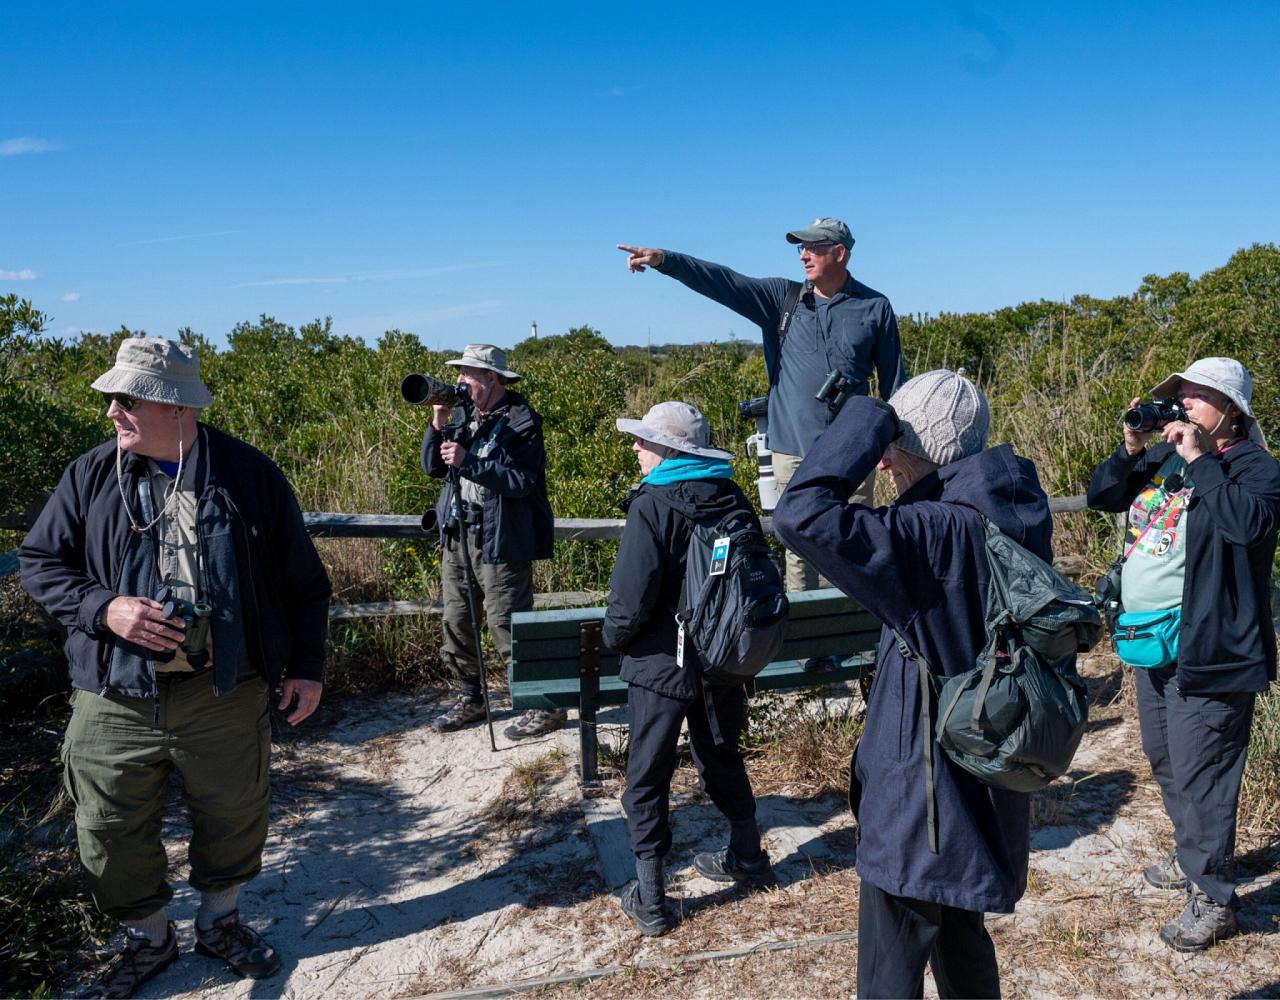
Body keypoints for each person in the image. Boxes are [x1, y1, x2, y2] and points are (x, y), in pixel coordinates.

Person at [20, 337, 332, 998]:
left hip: (223, 691)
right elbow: (41, 563)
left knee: (235, 813)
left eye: (125, 399)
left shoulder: (248, 475)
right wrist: (104, 610)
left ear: (174, 406)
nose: (111, 412)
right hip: (113, 692)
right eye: (111, 399)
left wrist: (307, 667)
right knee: (106, 825)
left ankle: (220, 924)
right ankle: (149, 938)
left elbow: (305, 582)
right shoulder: (90, 475)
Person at [774, 370, 1051, 998]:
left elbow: (799, 515)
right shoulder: (1010, 509)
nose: (884, 463)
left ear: (912, 446)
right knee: (961, 939)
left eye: (892, 447)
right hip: (978, 775)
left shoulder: (936, 532)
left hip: (920, 802)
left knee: (889, 968)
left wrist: (866, 420)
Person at [1086, 356, 1280, 952]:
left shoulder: (1255, 468)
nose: (1184, 406)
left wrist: (1200, 459)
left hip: (1212, 646)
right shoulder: (1164, 456)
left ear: (1231, 410)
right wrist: (1130, 446)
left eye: (1197, 397)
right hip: (1152, 639)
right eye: (1181, 396)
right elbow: (1103, 496)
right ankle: (1192, 855)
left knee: (1207, 771)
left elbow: (1247, 528)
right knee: (1166, 756)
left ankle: (1213, 897)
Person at [617, 217, 906, 601]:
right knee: (799, 551)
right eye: (800, 247)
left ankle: (845, 642)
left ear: (839, 253)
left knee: (850, 546)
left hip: (854, 453)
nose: (803, 254)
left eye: (814, 246)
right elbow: (723, 282)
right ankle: (807, 649)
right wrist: (664, 260)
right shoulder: (781, 300)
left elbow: (895, 387)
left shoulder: (875, 308)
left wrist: (894, 451)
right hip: (791, 451)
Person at [605, 401, 771, 937]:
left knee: (648, 775)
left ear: (671, 450)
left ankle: (651, 897)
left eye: (645, 440)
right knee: (720, 754)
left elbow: (629, 602)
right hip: (721, 654)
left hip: (661, 664)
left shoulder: (653, 504)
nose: (636, 447)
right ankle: (747, 853)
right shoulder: (731, 495)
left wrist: (613, 640)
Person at [421, 343, 558, 739]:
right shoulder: (463, 417)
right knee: (457, 622)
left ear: (492, 378)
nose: (460, 380)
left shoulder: (521, 420)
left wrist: (470, 461)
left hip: (500, 538)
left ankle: (543, 704)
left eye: (468, 373)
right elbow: (432, 467)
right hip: (458, 535)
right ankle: (471, 697)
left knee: (507, 625)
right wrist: (437, 422)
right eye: (459, 373)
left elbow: (520, 481)